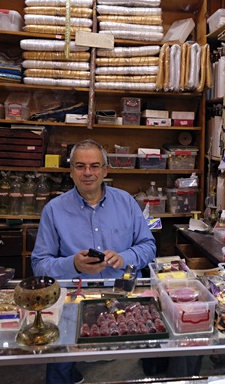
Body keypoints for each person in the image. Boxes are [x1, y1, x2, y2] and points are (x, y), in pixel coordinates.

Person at [32, 139, 156, 384]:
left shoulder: (127, 203)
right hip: (74, 298)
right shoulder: (54, 210)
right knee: (59, 360)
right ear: (71, 171)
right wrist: (73, 264)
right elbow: (39, 264)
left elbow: (149, 246)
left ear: (105, 170)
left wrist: (125, 258)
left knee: (139, 358)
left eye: (94, 166)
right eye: (80, 166)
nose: (87, 172)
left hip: (123, 293)